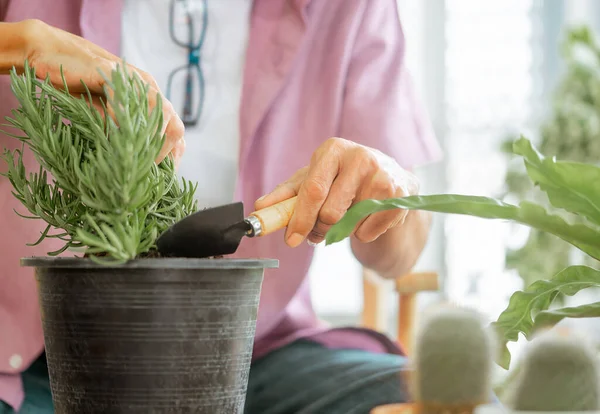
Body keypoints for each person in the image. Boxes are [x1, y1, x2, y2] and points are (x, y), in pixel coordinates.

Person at [0, 0, 443, 413]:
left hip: (261, 349)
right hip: (43, 355)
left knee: (432, 397)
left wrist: (386, 190)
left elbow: (400, 255)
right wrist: (23, 43)